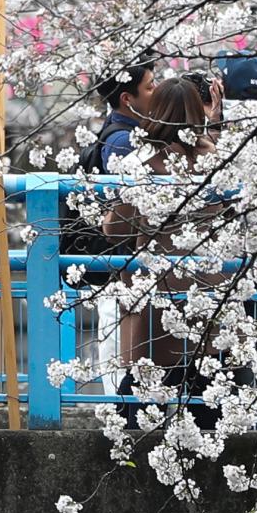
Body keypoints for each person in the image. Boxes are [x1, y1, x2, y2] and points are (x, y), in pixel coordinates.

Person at [102, 75, 229, 428]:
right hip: (206, 280)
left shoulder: (141, 161)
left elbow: (116, 229)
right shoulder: (213, 159)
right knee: (206, 389)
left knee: (143, 386)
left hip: (157, 286)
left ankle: (128, 453)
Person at [64, 56, 160, 415]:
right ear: (127, 98)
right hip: (122, 266)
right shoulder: (122, 142)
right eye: (150, 86)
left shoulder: (122, 134)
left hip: (122, 268)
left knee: (122, 348)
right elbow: (126, 211)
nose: (157, 92)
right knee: (121, 352)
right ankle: (121, 418)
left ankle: (122, 414)